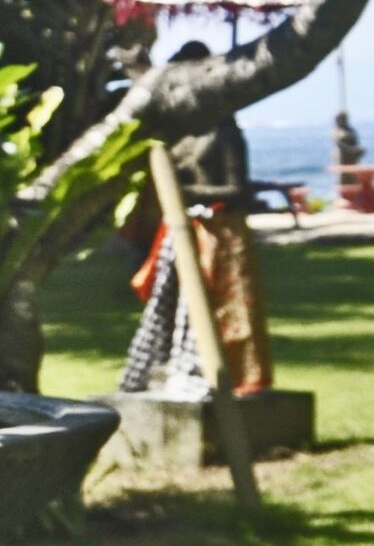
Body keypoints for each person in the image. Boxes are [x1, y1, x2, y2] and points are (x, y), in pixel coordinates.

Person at [116, 43, 275, 398]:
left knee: (231, 309)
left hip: (220, 229)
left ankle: (239, 379)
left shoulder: (222, 128)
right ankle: (177, 371)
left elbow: (235, 187)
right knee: (170, 309)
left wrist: (189, 195)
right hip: (180, 230)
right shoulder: (173, 129)